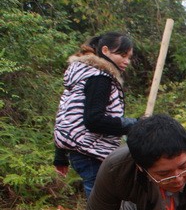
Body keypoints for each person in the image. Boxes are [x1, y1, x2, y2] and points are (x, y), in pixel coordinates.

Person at [54, 32, 137, 197]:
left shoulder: (83, 74)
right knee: (101, 204)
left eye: (129, 57)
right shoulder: (100, 78)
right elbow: (93, 121)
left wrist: (60, 155)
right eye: (122, 55)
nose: (127, 61)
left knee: (104, 201)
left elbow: (66, 115)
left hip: (80, 151)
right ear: (105, 50)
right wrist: (133, 124)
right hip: (90, 152)